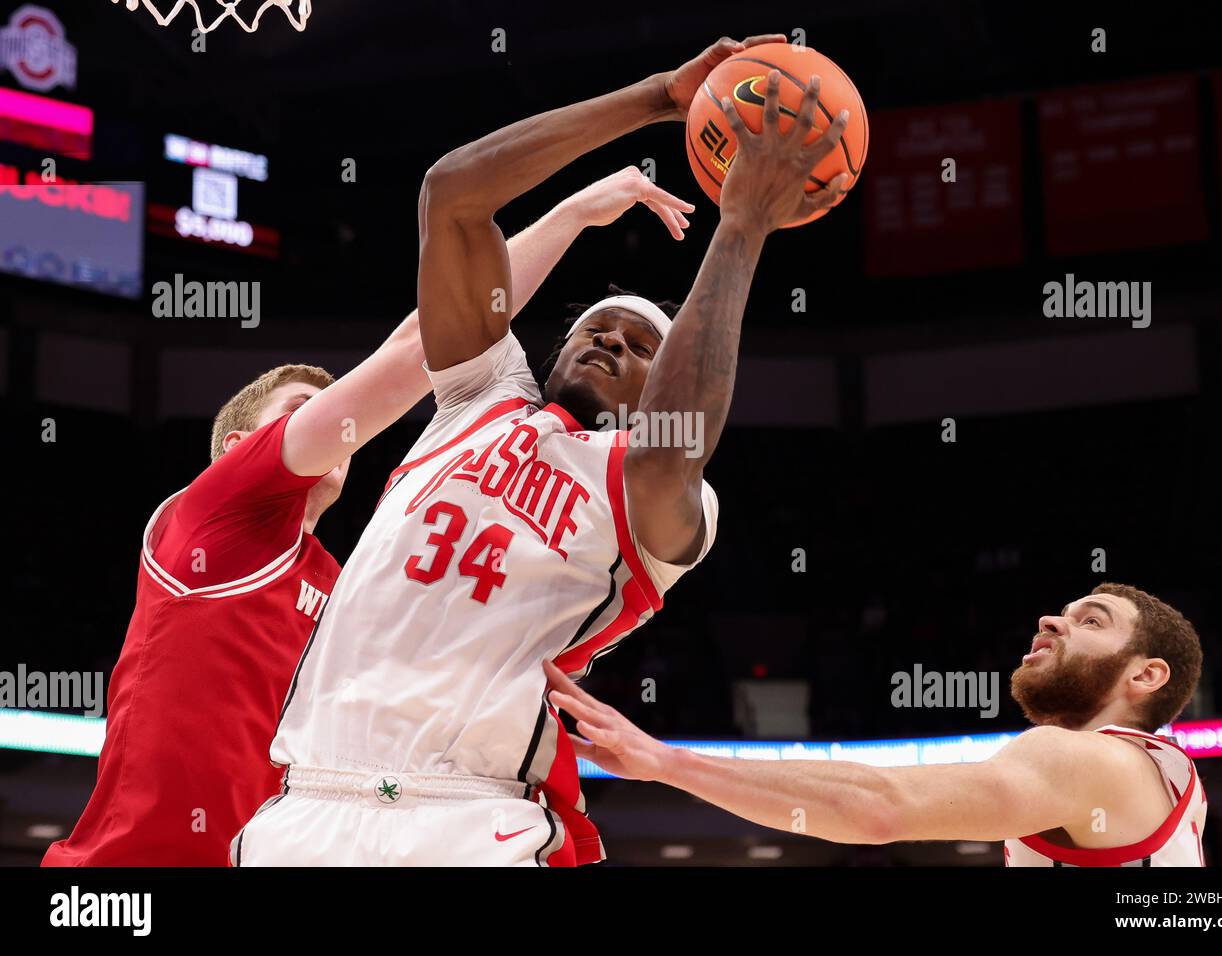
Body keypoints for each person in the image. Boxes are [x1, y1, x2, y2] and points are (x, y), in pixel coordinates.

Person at [233, 33, 851, 866]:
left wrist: (740, 225)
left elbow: (679, 439)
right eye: (597, 331)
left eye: (641, 349)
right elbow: (452, 195)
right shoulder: (477, 397)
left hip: (472, 818)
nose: (610, 346)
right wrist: (657, 97)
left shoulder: (656, 490)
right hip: (305, 805)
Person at [42, 169, 674, 866]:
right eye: (300, 410)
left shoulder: (347, 588)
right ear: (235, 452)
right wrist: (576, 213)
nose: (330, 418)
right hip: (127, 869)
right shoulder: (207, 518)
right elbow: (412, 345)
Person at [547, 583, 1208, 867]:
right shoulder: (1177, 778)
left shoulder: (1081, 758)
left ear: (1146, 676)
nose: (1052, 621)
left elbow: (882, 810)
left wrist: (667, 762)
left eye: (1091, 620)